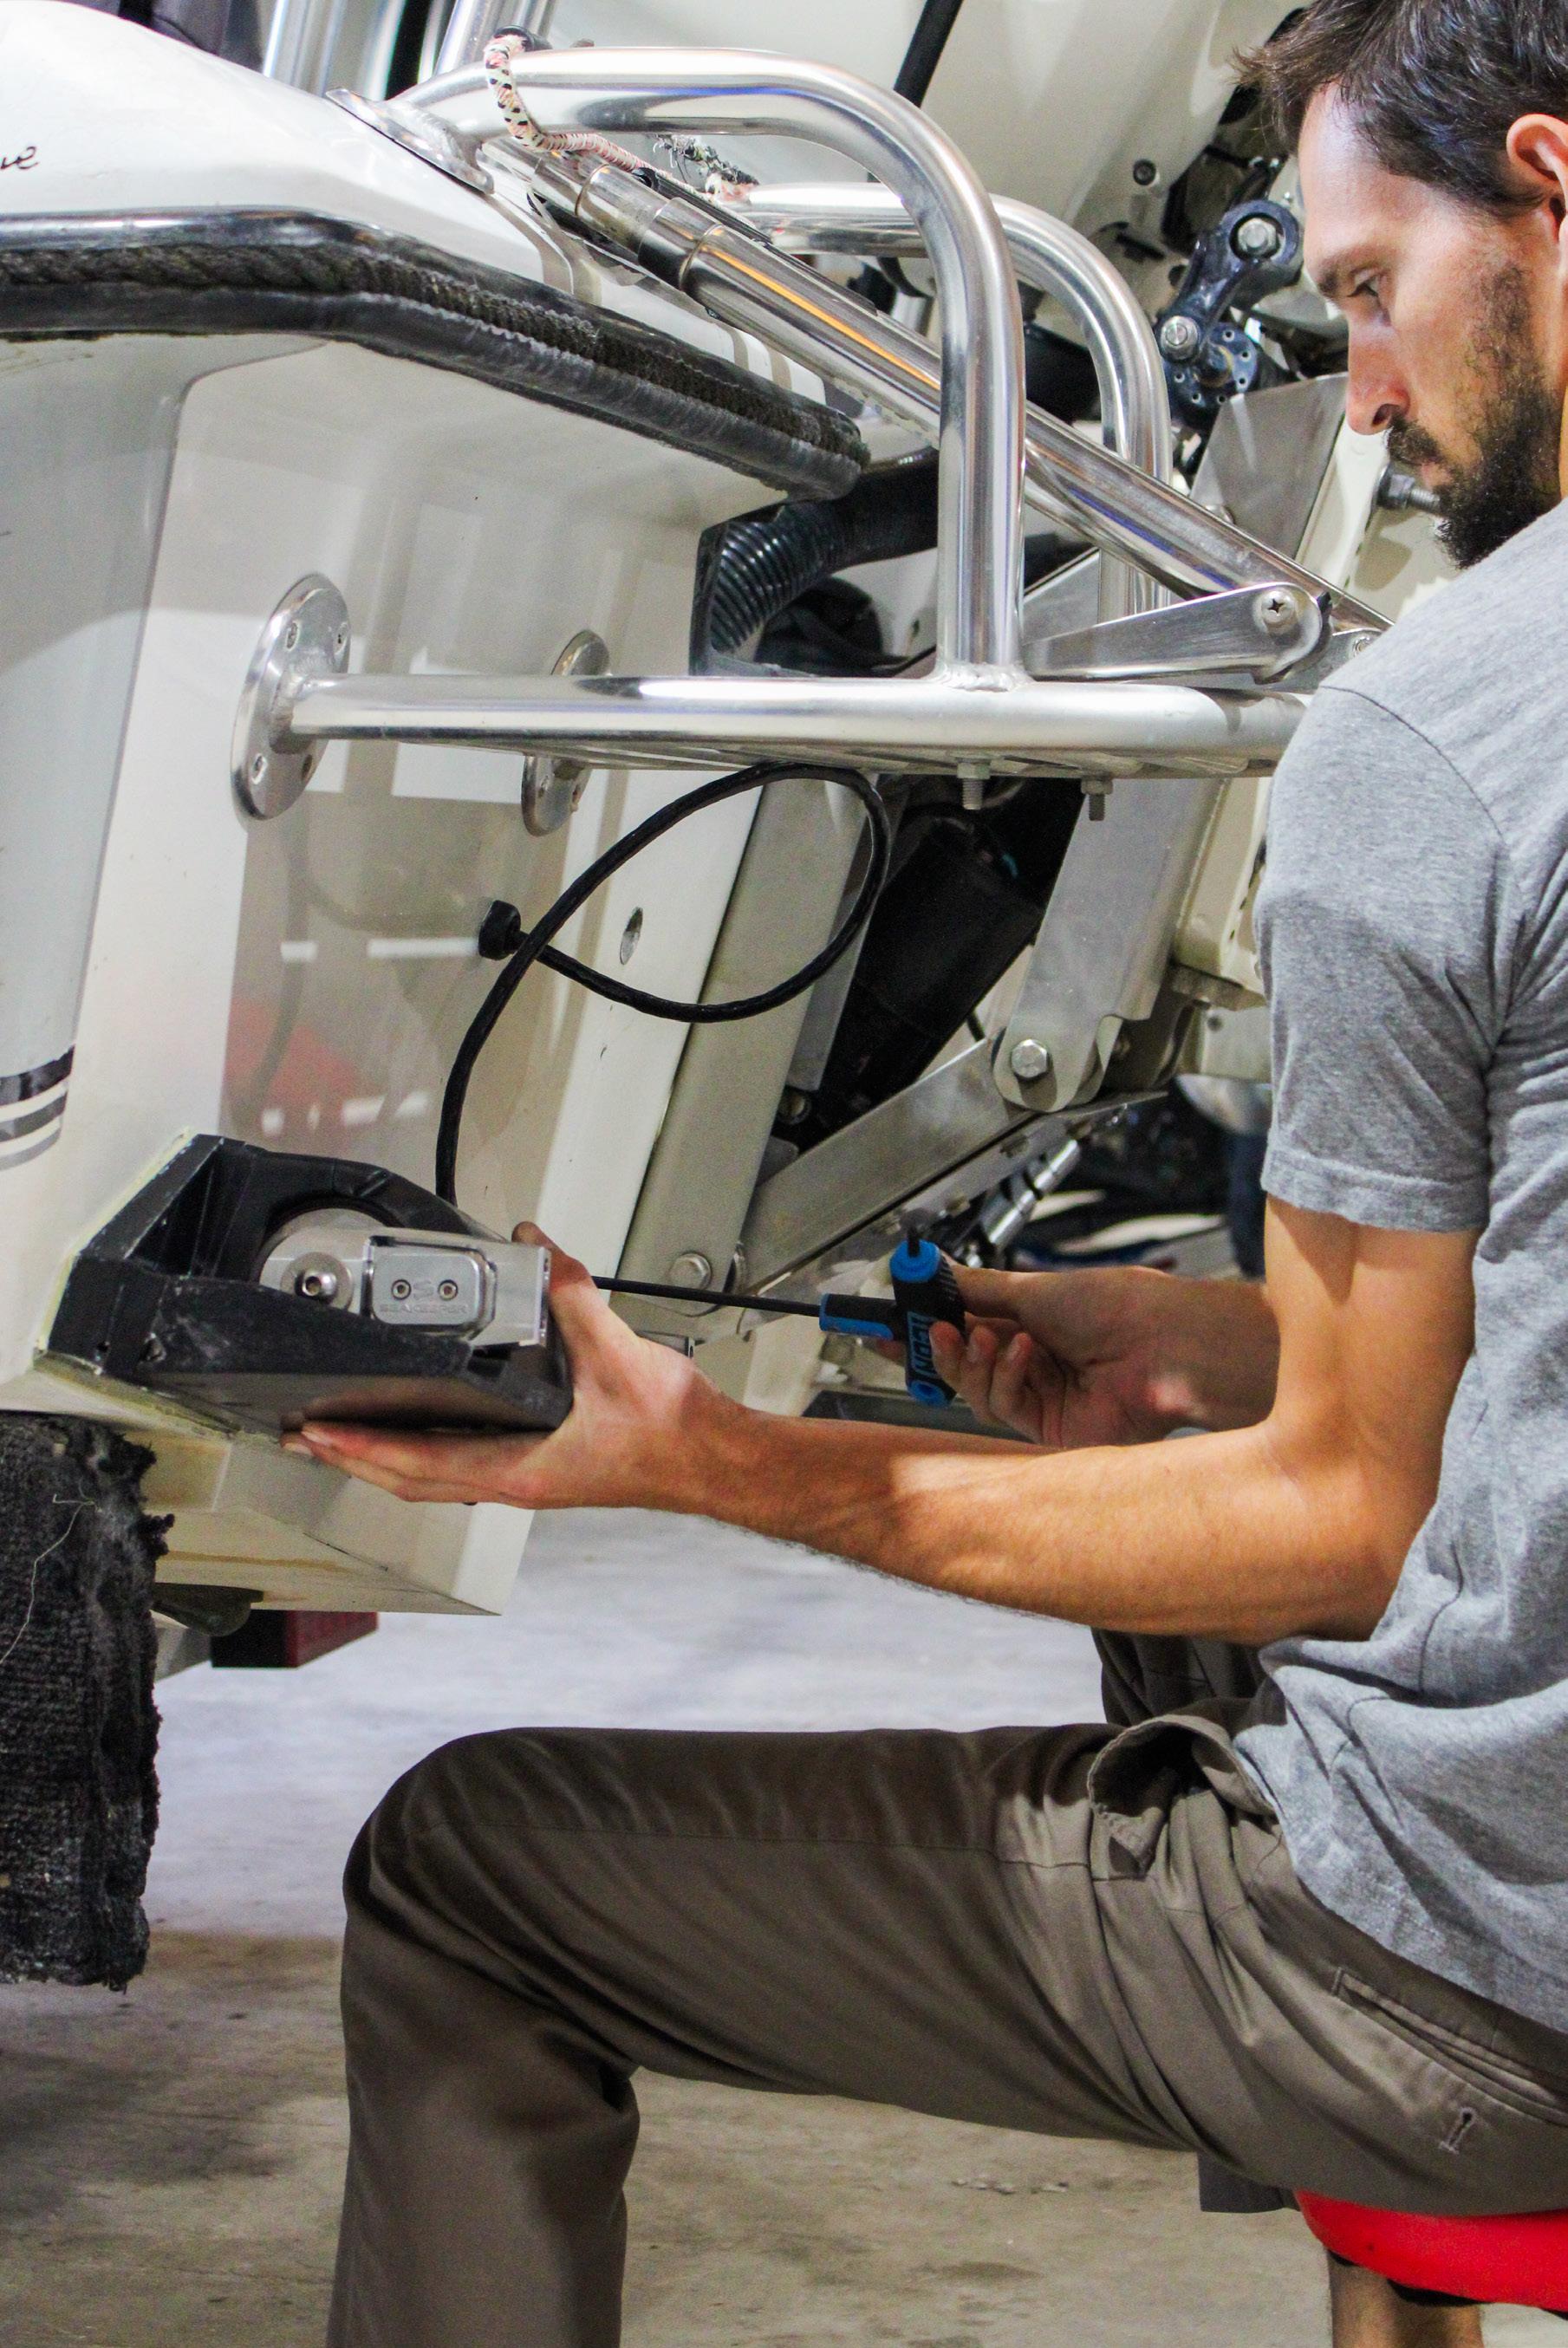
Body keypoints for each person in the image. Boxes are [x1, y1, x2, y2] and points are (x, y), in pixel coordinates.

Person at [295, 3, 1568, 2341]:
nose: (1367, 392)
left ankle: (1339, 2067)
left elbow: (1347, 1523)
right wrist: (1238, 1347)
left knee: (473, 1870)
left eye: (1373, 289)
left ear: (1549, 198)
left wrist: (709, 1460)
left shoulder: (1445, 726)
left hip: (1501, 2000)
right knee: (1201, 1573)